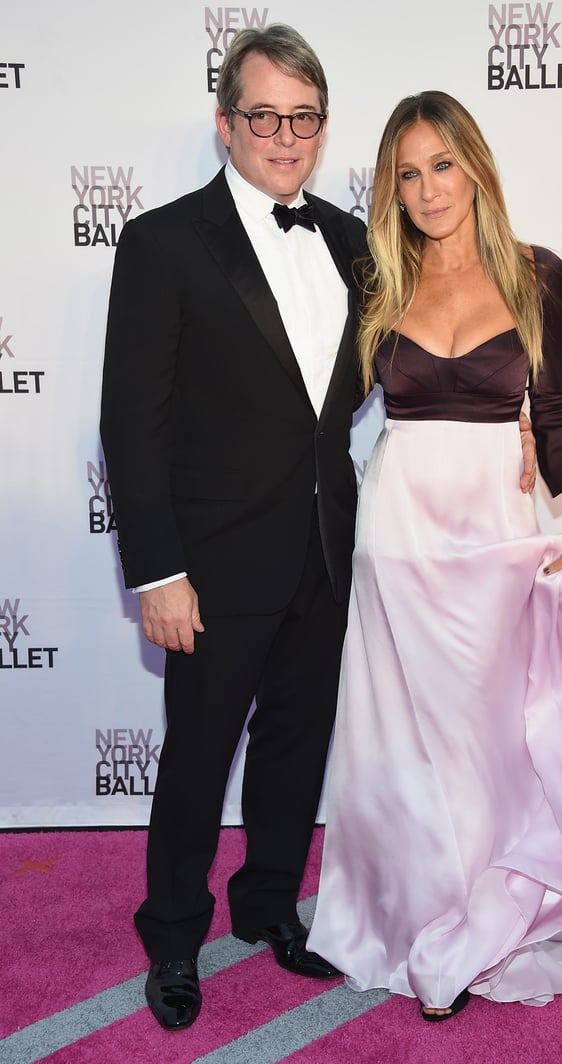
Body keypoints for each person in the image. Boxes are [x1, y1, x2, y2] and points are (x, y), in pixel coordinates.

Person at [307, 91, 562, 1021]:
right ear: (392, 188)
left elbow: (560, 412)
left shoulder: (539, 275)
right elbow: (326, 410)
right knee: (407, 752)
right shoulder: (376, 282)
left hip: (493, 532)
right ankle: (418, 925)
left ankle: (482, 921)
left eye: (441, 165)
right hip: (400, 538)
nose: (427, 189)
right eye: (407, 174)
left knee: (489, 743)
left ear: (476, 165)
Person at [100, 24, 371, 1030]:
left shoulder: (351, 238)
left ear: (319, 124)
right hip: (210, 564)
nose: (284, 135)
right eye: (263, 115)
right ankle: (173, 934)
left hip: (324, 549)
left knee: (297, 745)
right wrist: (157, 570)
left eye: (302, 117)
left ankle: (267, 906)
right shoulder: (165, 241)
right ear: (225, 124)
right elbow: (134, 418)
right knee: (197, 754)